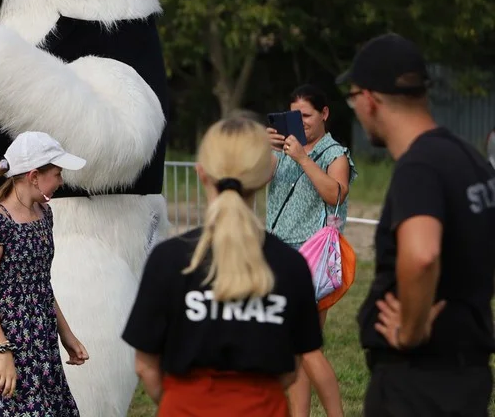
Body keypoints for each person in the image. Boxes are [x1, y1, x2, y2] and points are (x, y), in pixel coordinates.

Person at [122, 112, 335, 417]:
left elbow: (145, 365)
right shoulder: (291, 266)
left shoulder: (168, 260)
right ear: (263, 178)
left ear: (201, 172)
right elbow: (293, 368)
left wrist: (184, 403)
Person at [341, 33, 495, 416]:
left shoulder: (419, 166)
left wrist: (409, 332)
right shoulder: (469, 159)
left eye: (353, 96)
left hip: (416, 382)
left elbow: (423, 253)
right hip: (467, 375)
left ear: (370, 99)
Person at [0, 130, 89, 415]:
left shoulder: (44, 214)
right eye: (56, 173)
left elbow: (41, 285)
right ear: (34, 176)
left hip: (39, 337)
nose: (60, 181)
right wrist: (2, 352)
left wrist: (66, 335)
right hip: (3, 336)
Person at [264, 84, 353, 416]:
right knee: (293, 347)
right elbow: (257, 178)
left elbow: (336, 194)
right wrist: (262, 148)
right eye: (294, 116)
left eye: (306, 115)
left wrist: (302, 157)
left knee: (306, 346)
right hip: (277, 255)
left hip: (312, 260)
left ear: (325, 114)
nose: (300, 122)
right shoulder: (282, 150)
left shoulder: (335, 154)